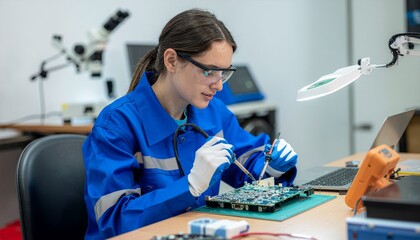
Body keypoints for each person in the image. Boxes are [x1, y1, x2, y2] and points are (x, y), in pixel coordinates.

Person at [82, 8, 298, 239]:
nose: (219, 85)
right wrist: (191, 185)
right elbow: (115, 222)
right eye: (209, 72)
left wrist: (273, 167)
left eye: (224, 73)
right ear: (172, 60)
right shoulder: (117, 124)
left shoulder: (213, 113)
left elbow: (249, 170)